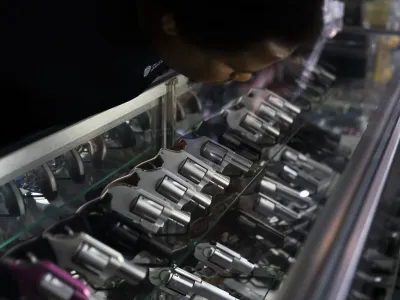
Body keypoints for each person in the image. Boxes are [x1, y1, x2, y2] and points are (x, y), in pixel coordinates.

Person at [0, 0, 323, 152]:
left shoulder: (162, 29)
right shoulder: (44, 36)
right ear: (174, 26)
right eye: (232, 66)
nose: (241, 79)